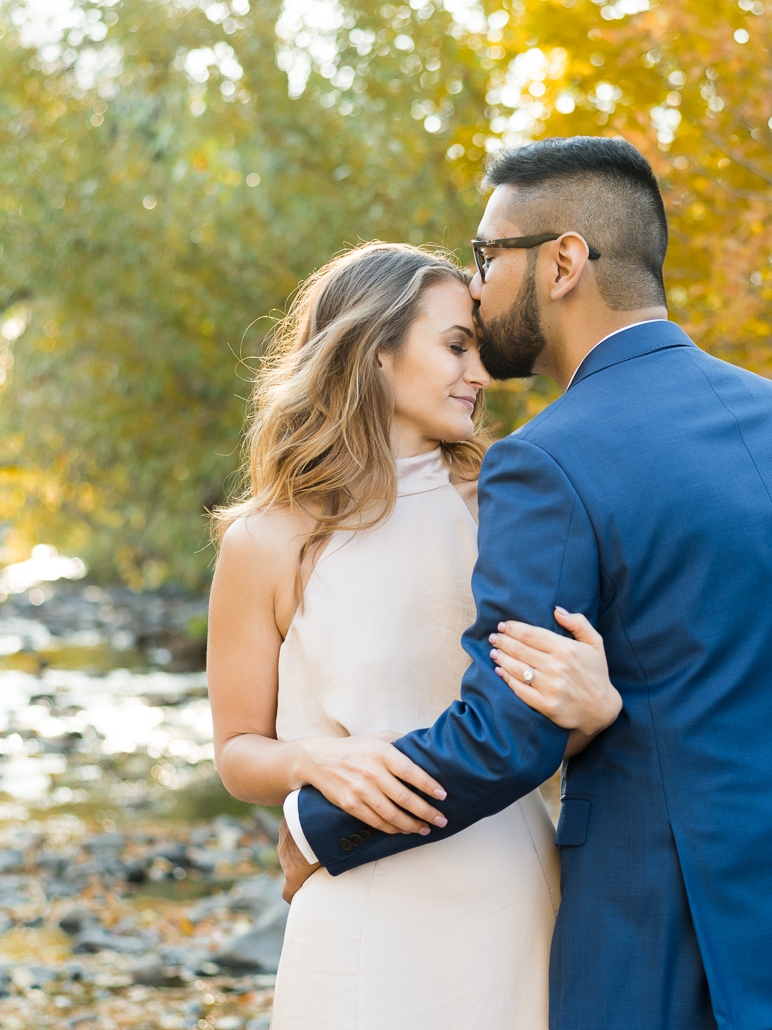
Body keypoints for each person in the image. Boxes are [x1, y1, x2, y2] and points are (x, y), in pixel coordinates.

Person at [280, 137, 772, 1030]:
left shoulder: (548, 462)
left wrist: (318, 827)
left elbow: (509, 731)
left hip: (677, 939)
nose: (476, 288)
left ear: (562, 262)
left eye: (489, 256)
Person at [205, 241, 623, 1030]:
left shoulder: (509, 506)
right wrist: (311, 760)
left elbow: (527, 726)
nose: (480, 373)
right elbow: (236, 753)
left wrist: (596, 710)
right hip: (359, 908)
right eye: (457, 346)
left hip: (510, 898)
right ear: (375, 353)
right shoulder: (265, 542)